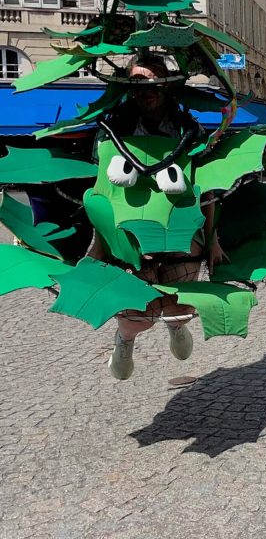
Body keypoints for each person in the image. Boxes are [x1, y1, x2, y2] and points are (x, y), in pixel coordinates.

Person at [90, 56, 228, 378]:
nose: (146, 92)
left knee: (180, 304)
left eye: (152, 85)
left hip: (179, 227)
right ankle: (125, 340)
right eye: (138, 85)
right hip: (129, 234)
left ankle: (177, 327)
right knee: (138, 311)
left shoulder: (188, 131)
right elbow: (99, 192)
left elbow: (205, 191)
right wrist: (98, 244)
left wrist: (213, 240)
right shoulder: (112, 130)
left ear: (166, 87)